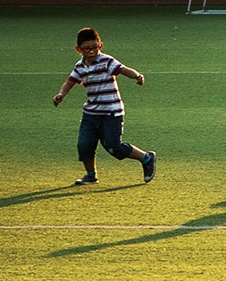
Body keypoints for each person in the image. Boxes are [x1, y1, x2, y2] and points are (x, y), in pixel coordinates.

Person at [52, 27, 157, 185]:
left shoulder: (107, 61)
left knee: (113, 147)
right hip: (91, 113)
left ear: (100, 45)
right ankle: (91, 175)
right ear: (78, 49)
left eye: (95, 47)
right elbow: (70, 82)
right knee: (84, 144)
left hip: (111, 112)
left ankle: (146, 157)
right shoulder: (80, 66)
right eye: (87, 49)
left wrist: (137, 76)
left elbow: (122, 69)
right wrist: (61, 95)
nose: (92, 51)